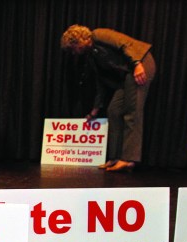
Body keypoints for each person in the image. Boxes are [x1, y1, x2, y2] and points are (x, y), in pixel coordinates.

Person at [61, 25, 156, 172]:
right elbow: (101, 83)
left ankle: (128, 159)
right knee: (113, 110)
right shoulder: (92, 56)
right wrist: (95, 109)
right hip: (126, 75)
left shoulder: (99, 35)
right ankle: (115, 157)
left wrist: (137, 64)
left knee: (132, 110)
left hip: (141, 63)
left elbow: (125, 44)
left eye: (73, 48)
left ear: (79, 41)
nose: (74, 53)